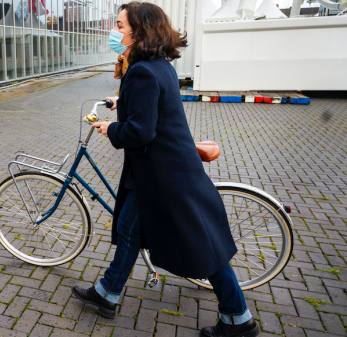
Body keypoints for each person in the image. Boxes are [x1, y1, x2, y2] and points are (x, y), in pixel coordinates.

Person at [70, 3, 260, 337]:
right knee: (130, 233)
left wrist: (111, 129)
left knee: (205, 246)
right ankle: (107, 293)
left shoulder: (142, 71)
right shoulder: (158, 65)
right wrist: (121, 103)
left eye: (119, 25)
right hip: (156, 175)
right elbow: (150, 103)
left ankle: (238, 318)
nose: (114, 31)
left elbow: (140, 131)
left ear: (138, 30)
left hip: (165, 177)